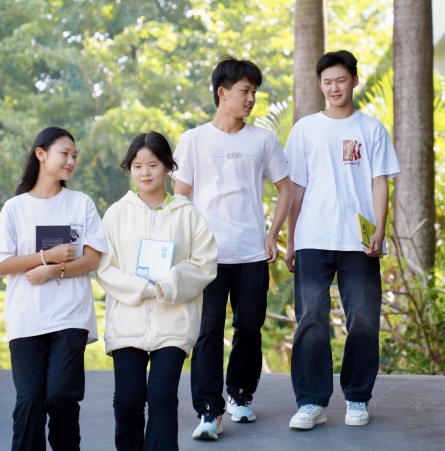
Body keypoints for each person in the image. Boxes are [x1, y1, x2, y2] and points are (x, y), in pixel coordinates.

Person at [172, 55, 292, 440]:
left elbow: (286, 188)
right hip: (206, 255)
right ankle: (208, 410)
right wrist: (184, 247)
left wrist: (272, 235)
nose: (251, 98)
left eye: (255, 92)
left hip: (252, 252)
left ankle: (240, 395)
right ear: (222, 93)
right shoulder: (193, 140)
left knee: (249, 328)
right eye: (245, 91)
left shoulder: (263, 140)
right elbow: (180, 197)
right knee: (207, 331)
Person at [284, 50, 400, 430]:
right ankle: (311, 402)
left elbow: (379, 182)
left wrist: (379, 229)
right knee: (311, 319)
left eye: (341, 80)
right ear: (320, 85)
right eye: (327, 82)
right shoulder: (305, 129)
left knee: (364, 319)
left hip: (359, 241)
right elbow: (296, 188)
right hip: (313, 237)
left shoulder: (371, 129)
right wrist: (291, 239)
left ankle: (357, 397)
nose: (334, 88)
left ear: (354, 81)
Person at [96, 131, 218, 451]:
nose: (145, 173)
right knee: (128, 401)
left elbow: (205, 262)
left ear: (167, 167)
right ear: (130, 169)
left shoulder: (188, 213)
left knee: (162, 397)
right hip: (127, 323)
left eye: (152, 165)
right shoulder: (116, 214)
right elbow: (105, 267)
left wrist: (169, 284)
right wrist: (142, 288)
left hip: (174, 323)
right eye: (137, 166)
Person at [0, 126, 107, 450]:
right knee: (30, 400)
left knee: (61, 394)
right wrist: (45, 256)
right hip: (27, 318)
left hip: (70, 316)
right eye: (64, 153)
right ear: (41, 154)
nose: (71, 161)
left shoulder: (81, 204)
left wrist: (54, 270)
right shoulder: (15, 208)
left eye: (74, 155)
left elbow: (92, 259)